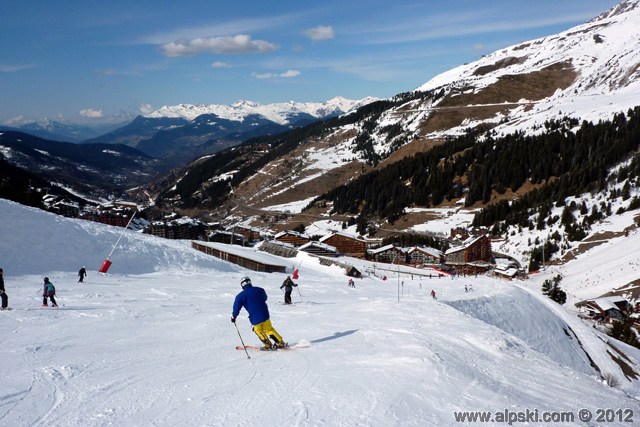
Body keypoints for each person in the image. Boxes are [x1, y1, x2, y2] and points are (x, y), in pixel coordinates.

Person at [231, 276, 286, 350]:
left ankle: (267, 344)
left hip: (255, 316)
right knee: (268, 329)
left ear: (242, 285)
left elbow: (236, 308)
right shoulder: (260, 290)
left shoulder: (240, 296)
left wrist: (234, 316)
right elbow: (265, 298)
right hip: (265, 313)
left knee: (257, 330)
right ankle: (280, 342)